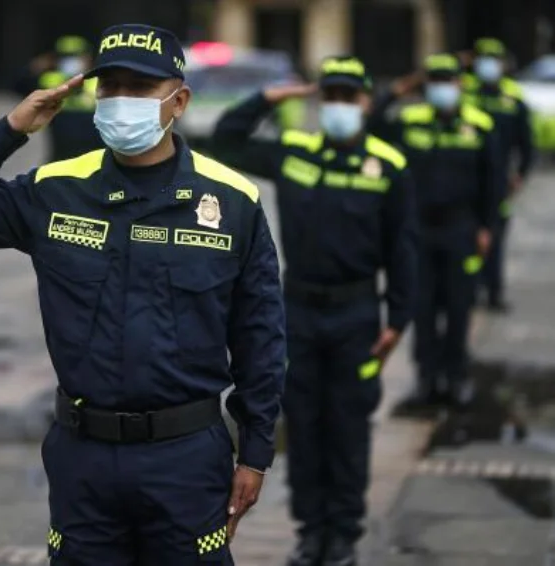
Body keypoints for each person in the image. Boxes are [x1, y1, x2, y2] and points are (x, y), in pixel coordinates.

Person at [0, 23, 286, 566]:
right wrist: (12, 128)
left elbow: (261, 337)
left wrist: (254, 454)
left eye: (139, 88)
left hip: (185, 457)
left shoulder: (231, 201)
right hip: (83, 457)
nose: (121, 101)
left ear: (178, 101)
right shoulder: (55, 190)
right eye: (109, 87)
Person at [210, 55, 417, 566]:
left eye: (350, 97)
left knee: (347, 426)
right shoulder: (295, 151)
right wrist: (271, 97)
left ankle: (342, 534)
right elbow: (225, 140)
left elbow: (404, 249)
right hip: (297, 313)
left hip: (357, 315)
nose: (340, 106)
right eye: (332, 96)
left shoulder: (389, 165)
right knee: (301, 425)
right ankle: (309, 533)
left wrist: (398, 321)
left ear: (366, 102)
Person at [368, 53, 499, 407]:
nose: (442, 88)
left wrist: (487, 227)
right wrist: (398, 89)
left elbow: (493, 181)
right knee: (421, 309)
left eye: (448, 80)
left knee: (459, 307)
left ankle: (455, 377)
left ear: (460, 84)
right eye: (435, 80)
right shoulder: (411, 121)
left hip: (461, 229)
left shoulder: (480, 125)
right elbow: (372, 124)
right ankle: (426, 378)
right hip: (419, 231)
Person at [461, 38, 535, 311]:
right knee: (466, 238)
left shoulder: (513, 98)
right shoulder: (465, 91)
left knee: (494, 232)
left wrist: (521, 173)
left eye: (494, 58)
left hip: (498, 179)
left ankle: (493, 291)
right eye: (482, 58)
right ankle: (468, 290)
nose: (488, 65)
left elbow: (526, 143)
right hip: (466, 180)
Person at [12, 35, 102, 161]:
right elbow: (17, 85)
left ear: (87, 57)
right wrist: (36, 66)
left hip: (95, 157)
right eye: (66, 56)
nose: (70, 61)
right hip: (59, 156)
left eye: (76, 56)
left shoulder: (100, 80)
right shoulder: (48, 80)